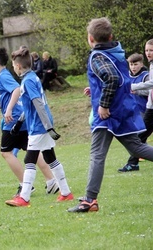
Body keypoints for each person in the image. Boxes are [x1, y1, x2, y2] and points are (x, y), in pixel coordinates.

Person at [68, 18, 153, 213]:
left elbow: (112, 78)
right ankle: (90, 198)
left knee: (97, 155)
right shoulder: (115, 52)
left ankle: (90, 200)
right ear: (111, 36)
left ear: (90, 38)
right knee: (137, 148)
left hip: (108, 114)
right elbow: (117, 78)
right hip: (123, 108)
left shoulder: (97, 56)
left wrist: (103, 104)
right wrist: (96, 89)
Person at [0, 47, 59, 206]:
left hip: (14, 120)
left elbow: (16, 90)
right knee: (33, 151)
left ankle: (25, 185)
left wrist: (8, 110)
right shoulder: (2, 77)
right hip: (20, 118)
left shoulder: (2, 76)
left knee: (6, 152)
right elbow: (6, 98)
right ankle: (51, 181)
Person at [4, 46, 73, 207]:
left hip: (39, 126)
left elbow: (38, 104)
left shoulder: (27, 81)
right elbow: (30, 106)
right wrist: (20, 122)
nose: (14, 68)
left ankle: (24, 197)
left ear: (19, 66)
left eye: (14, 65)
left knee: (29, 159)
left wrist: (48, 127)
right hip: (41, 124)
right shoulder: (33, 77)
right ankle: (66, 193)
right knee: (50, 157)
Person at [118, 52, 149, 172]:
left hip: (146, 110)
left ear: (141, 64)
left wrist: (138, 91)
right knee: (138, 137)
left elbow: (150, 91)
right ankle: (134, 161)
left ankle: (133, 162)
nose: (133, 67)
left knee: (138, 138)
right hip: (133, 111)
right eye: (131, 64)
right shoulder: (127, 76)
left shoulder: (146, 76)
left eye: (135, 64)